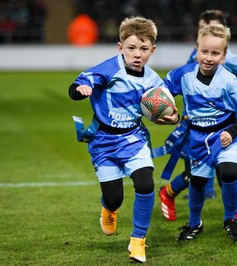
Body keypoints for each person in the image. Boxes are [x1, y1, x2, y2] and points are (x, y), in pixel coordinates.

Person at [68, 16, 179, 263]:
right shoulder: (109, 69)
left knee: (145, 184)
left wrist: (172, 117)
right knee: (114, 197)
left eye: (143, 49)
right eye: (131, 48)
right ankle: (109, 208)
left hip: (133, 139)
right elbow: (77, 86)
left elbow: (168, 110)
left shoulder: (152, 80)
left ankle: (138, 241)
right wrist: (81, 90)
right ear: (120, 48)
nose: (137, 54)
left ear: (153, 50)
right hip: (103, 142)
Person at [158, 9, 237, 227]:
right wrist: (164, 110)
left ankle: (232, 214)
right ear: (197, 47)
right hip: (194, 130)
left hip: (222, 128)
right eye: (202, 27)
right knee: (197, 175)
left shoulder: (226, 69)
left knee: (224, 171)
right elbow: (168, 88)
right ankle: (178, 201)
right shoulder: (190, 66)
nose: (208, 57)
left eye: (211, 26)